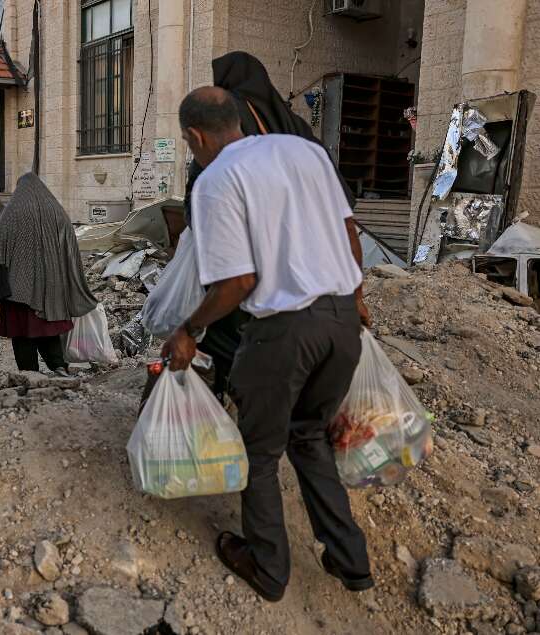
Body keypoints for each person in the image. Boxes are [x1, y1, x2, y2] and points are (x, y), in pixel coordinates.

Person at [163, 87, 373, 602]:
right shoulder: (305, 150)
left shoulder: (215, 181)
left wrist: (188, 329)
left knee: (258, 450)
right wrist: (357, 296)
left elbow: (237, 283)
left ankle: (267, 566)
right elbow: (350, 233)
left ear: (195, 136)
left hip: (284, 332)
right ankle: (351, 561)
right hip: (342, 321)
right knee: (309, 435)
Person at [184, 51, 367, 402]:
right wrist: (356, 294)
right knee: (307, 428)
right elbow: (345, 221)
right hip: (322, 284)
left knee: (233, 334)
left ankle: (238, 397)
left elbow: (235, 276)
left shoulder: (226, 133)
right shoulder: (296, 130)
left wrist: (188, 328)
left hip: (260, 282)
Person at [0, 172, 98, 374]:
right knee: (49, 330)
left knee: (23, 334)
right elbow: (69, 244)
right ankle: (58, 367)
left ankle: (29, 374)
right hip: (53, 286)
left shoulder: (13, 211)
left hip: (19, 288)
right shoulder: (56, 210)